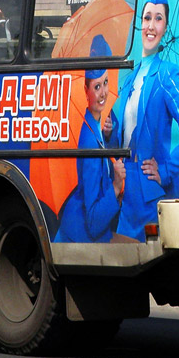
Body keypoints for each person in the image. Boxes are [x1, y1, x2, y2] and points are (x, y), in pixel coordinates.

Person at [104, 0, 179, 242]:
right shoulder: (129, 77)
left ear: (165, 27)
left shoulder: (167, 73)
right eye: (147, 17)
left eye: (158, 19)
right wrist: (110, 131)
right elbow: (123, 138)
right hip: (123, 189)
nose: (151, 25)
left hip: (147, 194)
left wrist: (164, 170)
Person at [55, 35, 126, 243]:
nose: (103, 92)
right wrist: (116, 185)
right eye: (96, 87)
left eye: (105, 83)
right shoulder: (88, 141)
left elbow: (111, 148)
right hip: (81, 234)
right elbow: (94, 221)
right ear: (86, 90)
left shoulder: (99, 120)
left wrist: (108, 134)